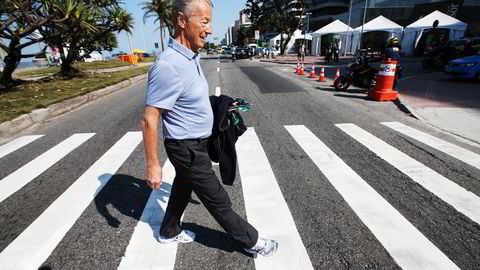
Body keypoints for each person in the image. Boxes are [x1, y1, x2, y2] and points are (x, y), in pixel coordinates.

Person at [142, 0, 278, 257]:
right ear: (182, 21)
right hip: (186, 148)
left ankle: (169, 230)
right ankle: (253, 241)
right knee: (218, 200)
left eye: (209, 23)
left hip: (196, 144)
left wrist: (222, 106)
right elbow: (150, 117)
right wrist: (153, 165)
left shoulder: (190, 57)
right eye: (204, 22)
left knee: (183, 186)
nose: (209, 29)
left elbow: (190, 100)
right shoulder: (168, 65)